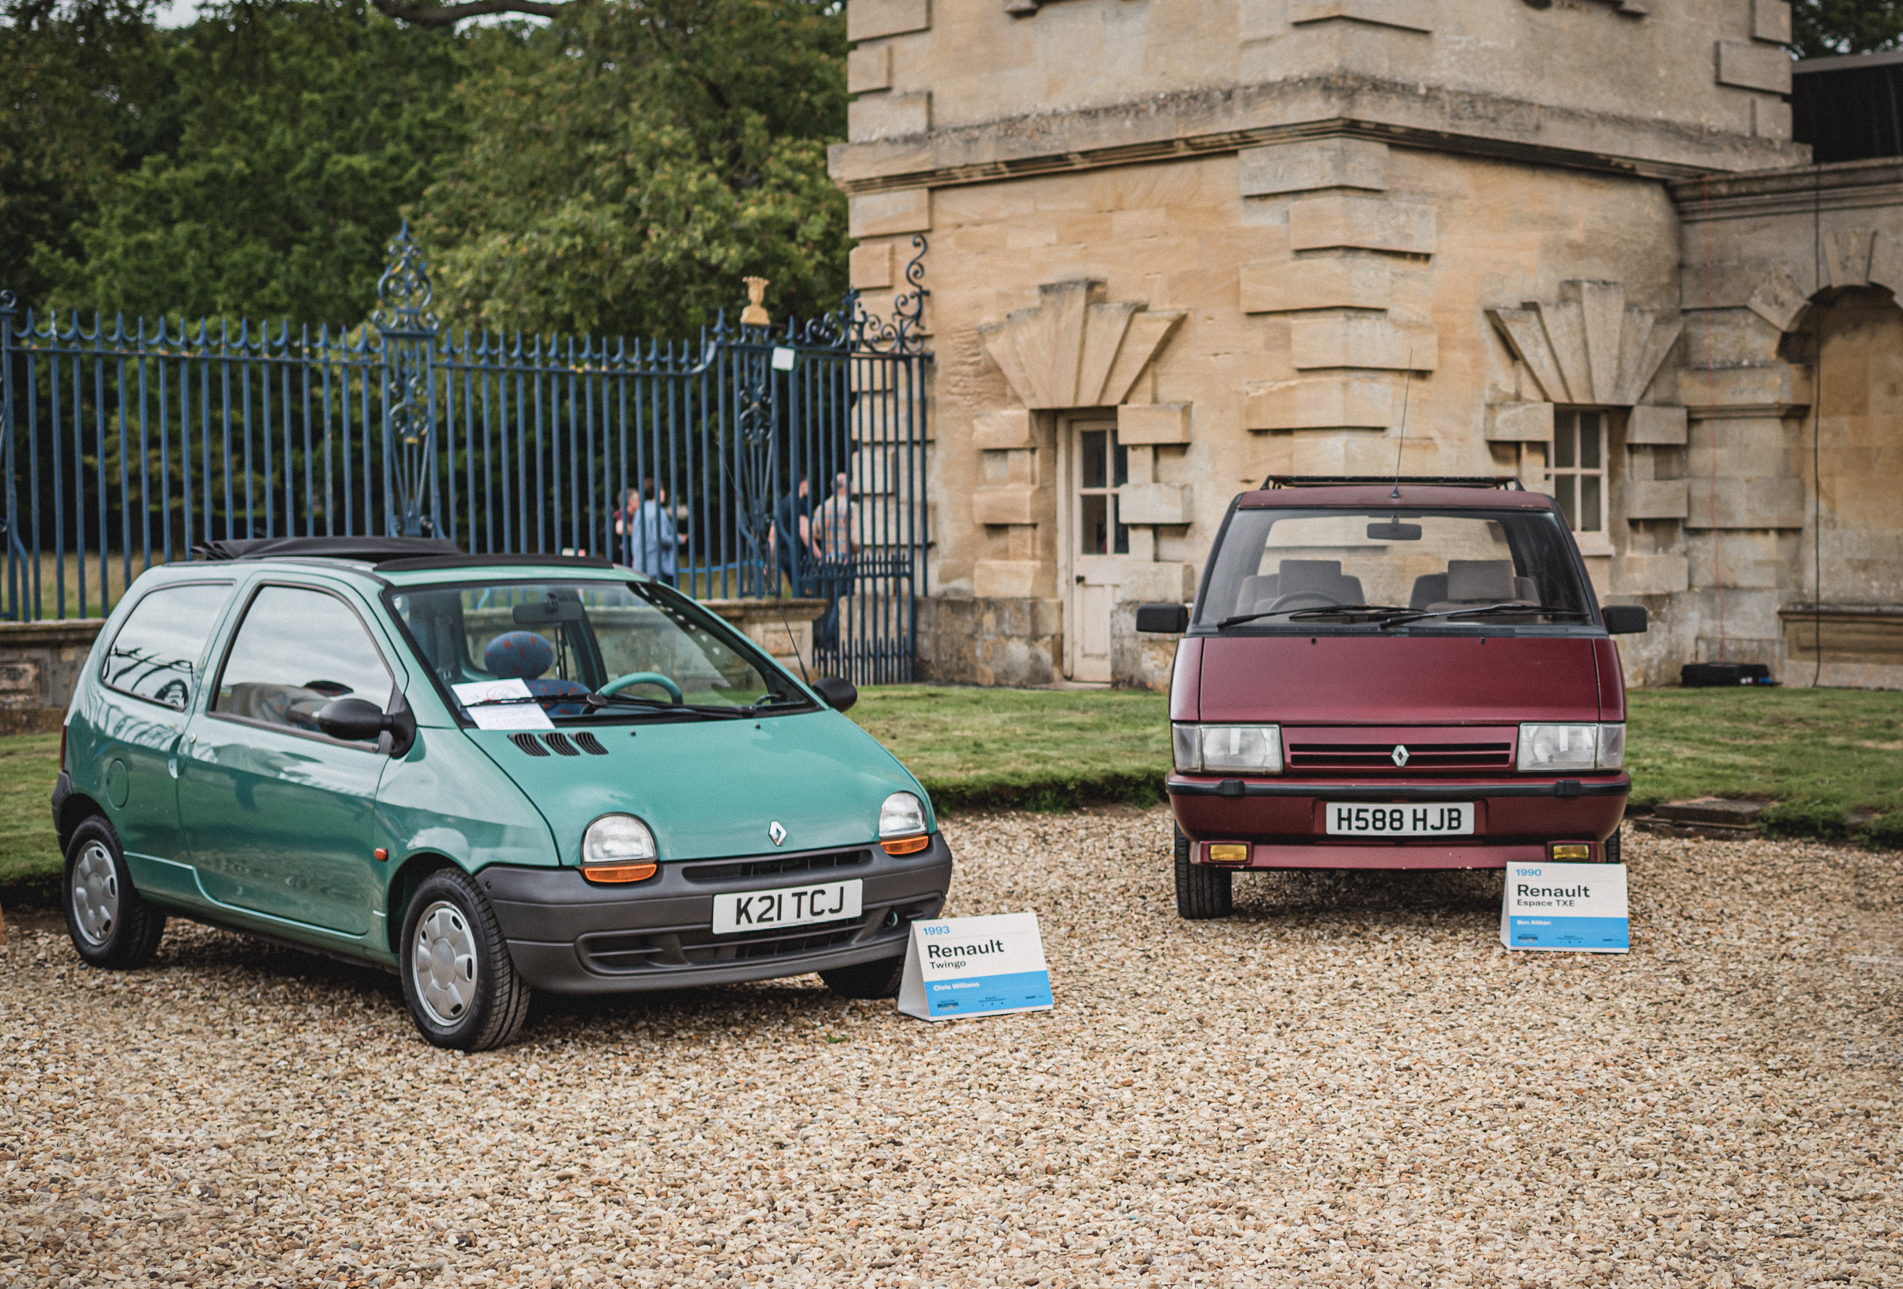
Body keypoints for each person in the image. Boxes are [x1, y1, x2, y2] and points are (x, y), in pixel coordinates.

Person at [813, 472, 858, 649]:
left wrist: (819, 554)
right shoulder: (851, 507)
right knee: (842, 600)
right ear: (845, 487)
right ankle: (831, 638)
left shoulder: (822, 507)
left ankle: (822, 636)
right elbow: (855, 537)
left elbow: (812, 532)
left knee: (829, 601)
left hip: (828, 560)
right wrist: (856, 551)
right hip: (845, 561)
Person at [616, 478, 678, 586]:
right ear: (655, 492)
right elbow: (660, 538)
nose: (664, 493)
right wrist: (678, 539)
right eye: (662, 490)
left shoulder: (639, 512)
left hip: (641, 567)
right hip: (659, 567)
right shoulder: (658, 511)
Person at [769, 476, 815, 596]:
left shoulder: (780, 504)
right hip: (799, 556)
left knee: (797, 591)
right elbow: (804, 533)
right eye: (808, 483)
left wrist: (768, 560)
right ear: (802, 484)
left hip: (783, 556)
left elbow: (772, 536)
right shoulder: (800, 503)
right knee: (808, 593)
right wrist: (819, 555)